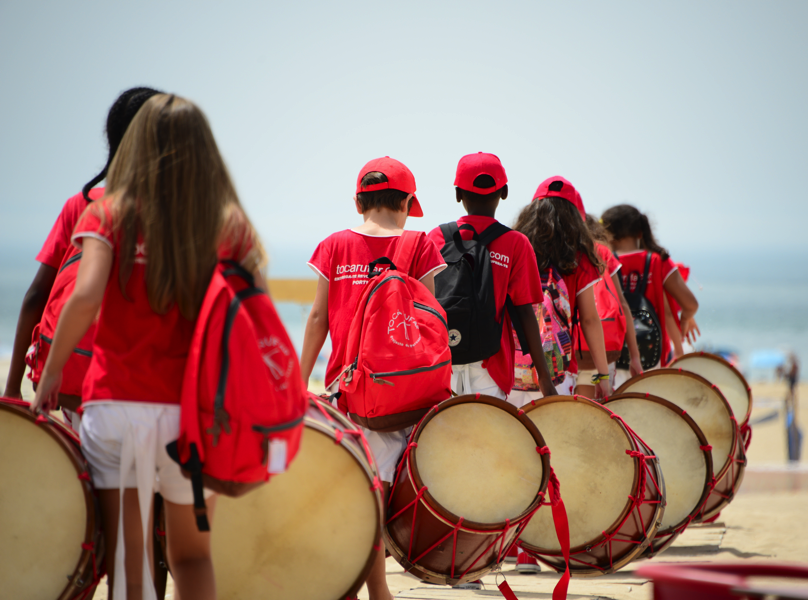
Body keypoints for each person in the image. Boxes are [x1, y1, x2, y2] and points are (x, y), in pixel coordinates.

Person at [31, 94, 266, 600]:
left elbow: (85, 296)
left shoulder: (109, 213)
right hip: (194, 416)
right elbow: (251, 320)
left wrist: (51, 374)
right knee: (193, 557)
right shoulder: (226, 223)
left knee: (128, 562)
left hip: (115, 405)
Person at [301, 156, 445, 600]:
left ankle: (359, 586)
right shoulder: (421, 245)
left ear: (359, 201)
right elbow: (430, 323)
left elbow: (318, 318)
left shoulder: (333, 246)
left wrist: (294, 382)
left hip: (353, 392)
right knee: (385, 497)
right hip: (408, 391)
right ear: (407, 203)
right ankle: (376, 591)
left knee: (363, 495)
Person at [5, 87, 161, 428]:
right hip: (145, 396)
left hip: (73, 387)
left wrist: (13, 388)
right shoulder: (175, 217)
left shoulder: (82, 206)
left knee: (86, 479)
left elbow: (36, 295)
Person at [427, 152, 557, 402]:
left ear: (457, 194)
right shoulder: (515, 243)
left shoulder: (436, 237)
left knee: (443, 438)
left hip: (442, 363)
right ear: (504, 192)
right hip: (491, 365)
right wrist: (544, 377)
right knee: (487, 439)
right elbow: (525, 312)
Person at [510, 176, 612, 407]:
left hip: (509, 373)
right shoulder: (578, 258)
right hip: (558, 374)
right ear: (574, 217)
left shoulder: (515, 247)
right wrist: (603, 375)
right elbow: (588, 319)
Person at [600, 204, 699, 378]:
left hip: (612, 356)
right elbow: (688, 305)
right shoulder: (657, 261)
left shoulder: (603, 263)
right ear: (640, 232)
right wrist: (685, 319)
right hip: (652, 356)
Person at [573, 210, 643, 398]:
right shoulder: (602, 252)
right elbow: (622, 303)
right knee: (594, 415)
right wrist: (634, 356)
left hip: (567, 350)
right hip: (600, 351)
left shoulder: (562, 250)